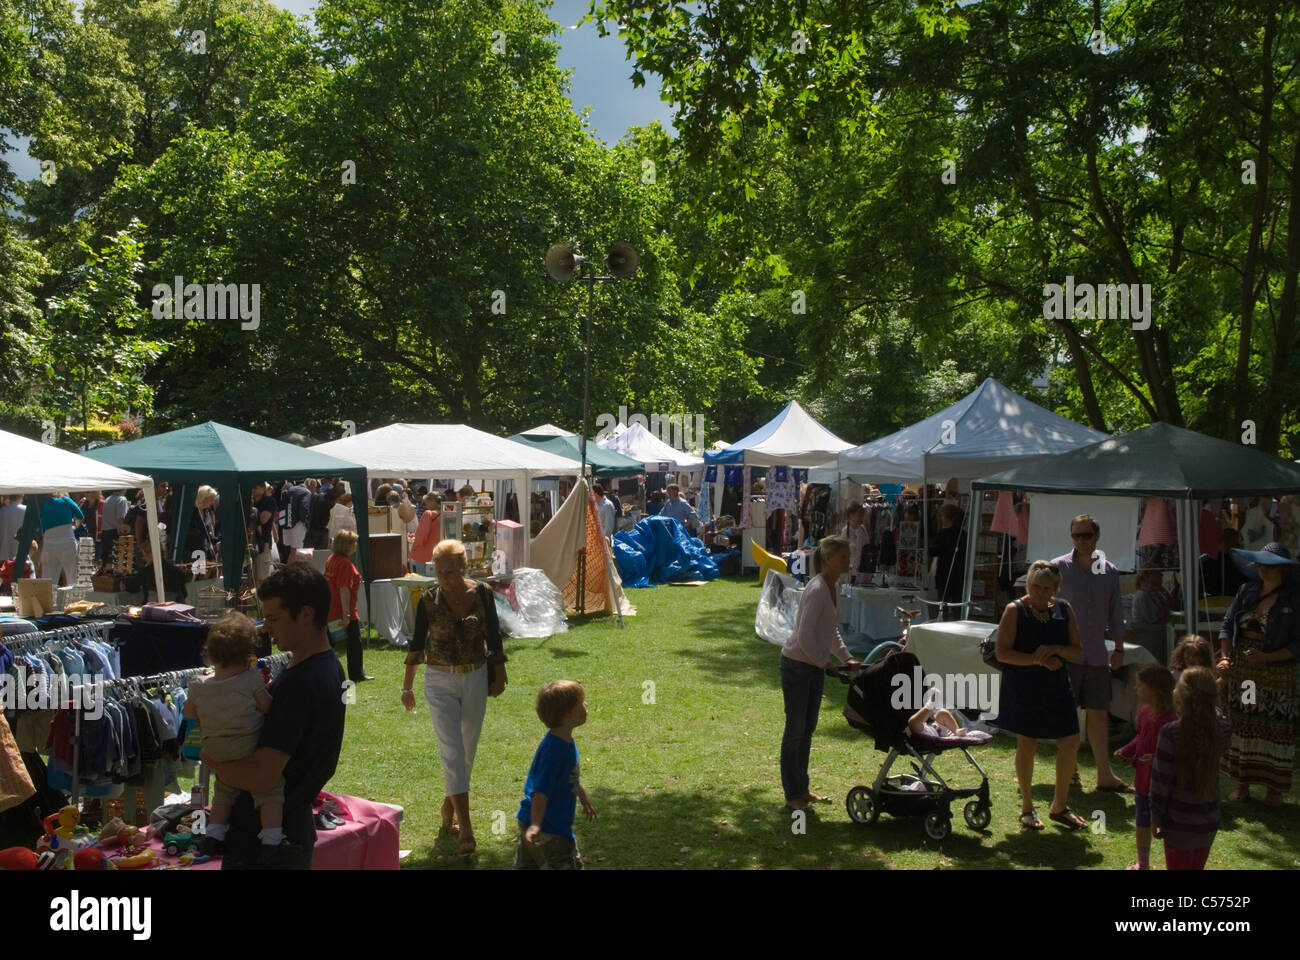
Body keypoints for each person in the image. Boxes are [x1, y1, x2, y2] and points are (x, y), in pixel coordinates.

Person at [200, 564, 346, 869]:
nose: (266, 627)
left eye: (274, 618)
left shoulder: (300, 684)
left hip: (266, 843)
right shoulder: (330, 667)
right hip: (288, 832)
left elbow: (262, 775)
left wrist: (214, 762)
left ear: (306, 614)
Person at [400, 539, 508, 856]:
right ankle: (466, 828)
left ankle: (449, 804)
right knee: (452, 751)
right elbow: (416, 644)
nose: (445, 577)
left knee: (467, 752)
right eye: (440, 571)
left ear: (464, 567)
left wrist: (499, 671)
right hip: (439, 679)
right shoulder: (429, 600)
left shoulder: (483, 594)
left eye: (451, 571)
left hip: (475, 676)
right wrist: (407, 687)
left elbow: (494, 634)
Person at [993, 560, 1087, 830]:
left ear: (1055, 589)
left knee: (1070, 741)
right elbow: (1003, 653)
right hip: (1024, 685)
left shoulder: (1063, 609)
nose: (1041, 593)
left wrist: (1055, 649)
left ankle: (1060, 805)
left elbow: (1076, 650)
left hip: (1057, 685)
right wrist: (1038, 660)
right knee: (1028, 743)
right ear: (1029, 584)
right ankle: (1027, 808)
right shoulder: (1015, 610)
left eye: (1047, 588)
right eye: (1036, 586)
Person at [183, 612, 283, 857]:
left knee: (225, 789)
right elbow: (267, 707)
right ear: (248, 654)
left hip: (215, 745)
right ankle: (272, 838)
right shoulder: (251, 679)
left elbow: (189, 712)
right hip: (246, 743)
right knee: (270, 790)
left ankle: (215, 834)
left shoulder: (198, 684)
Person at [779, 534, 861, 810]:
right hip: (797, 666)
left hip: (811, 667)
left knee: (807, 731)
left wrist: (847, 658)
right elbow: (804, 636)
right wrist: (825, 663)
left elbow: (830, 631)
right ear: (828, 559)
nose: (848, 563)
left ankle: (802, 789)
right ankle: (793, 795)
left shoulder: (832, 586)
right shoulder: (816, 589)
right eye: (843, 558)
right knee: (795, 731)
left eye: (848, 558)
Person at [1053, 514, 1132, 792]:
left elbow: (1115, 613)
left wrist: (1119, 648)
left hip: (1097, 654)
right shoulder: (1057, 568)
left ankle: (1104, 774)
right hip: (1066, 655)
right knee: (1067, 714)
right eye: (1076, 536)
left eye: (1086, 535)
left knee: (1099, 713)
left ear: (1096, 536)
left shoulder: (1109, 571)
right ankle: (1070, 770)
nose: (1081, 541)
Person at [1217, 542, 1300, 806]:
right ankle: (1242, 785)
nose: (1262, 568)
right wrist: (1226, 656)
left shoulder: (1294, 599)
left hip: (1277, 673)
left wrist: (1268, 658)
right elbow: (1228, 624)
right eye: (1260, 563)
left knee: (1275, 728)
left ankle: (1274, 790)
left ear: (1283, 569)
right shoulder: (1246, 591)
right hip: (1245, 671)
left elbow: (1298, 643)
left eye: (1269, 564)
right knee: (1244, 723)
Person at [1150, 667, 1231, 870]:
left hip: (1178, 822)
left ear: (1181, 695)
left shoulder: (1170, 733)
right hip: (1209, 820)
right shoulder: (1223, 728)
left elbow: (1161, 782)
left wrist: (1155, 816)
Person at [514, 679, 595, 870]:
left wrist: (582, 797)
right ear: (568, 714)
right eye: (581, 703)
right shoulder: (554, 750)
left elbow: (570, 776)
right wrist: (536, 824)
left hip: (538, 823)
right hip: (549, 829)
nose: (586, 705)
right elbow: (539, 792)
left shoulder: (564, 740)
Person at [1113, 665, 1177, 870]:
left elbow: (1178, 751)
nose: (1136, 689)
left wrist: (1158, 759)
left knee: (1168, 825)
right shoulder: (1143, 714)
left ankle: (1175, 863)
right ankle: (1144, 863)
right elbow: (1140, 738)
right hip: (1142, 782)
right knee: (1142, 823)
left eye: (1140, 685)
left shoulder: (1172, 720)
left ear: (1155, 689)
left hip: (1165, 785)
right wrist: (1127, 750)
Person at [325, 529, 371, 683]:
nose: (355, 545)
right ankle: (356, 674)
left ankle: (332, 673)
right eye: (353, 543)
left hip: (331, 607)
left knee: (330, 644)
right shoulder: (344, 563)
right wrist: (346, 614)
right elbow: (344, 589)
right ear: (347, 545)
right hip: (344, 609)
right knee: (354, 643)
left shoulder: (332, 559)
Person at [928, 504, 967, 617]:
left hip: (945, 573)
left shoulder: (943, 534)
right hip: (960, 573)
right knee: (957, 604)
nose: (941, 519)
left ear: (948, 518)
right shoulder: (964, 534)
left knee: (942, 604)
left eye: (942, 516)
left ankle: (942, 624)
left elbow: (933, 551)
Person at [38, 491, 83, 587]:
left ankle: (47, 600)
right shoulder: (66, 500)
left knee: (48, 579)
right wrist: (75, 524)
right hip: (67, 542)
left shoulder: (44, 504)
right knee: (72, 577)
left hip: (49, 542)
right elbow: (80, 515)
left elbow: (41, 528)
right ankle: (74, 599)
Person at [250, 480, 280, 585]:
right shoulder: (248, 501)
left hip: (263, 542)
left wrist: (253, 512)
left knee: (263, 575)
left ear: (263, 488)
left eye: (255, 487)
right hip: (249, 542)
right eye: (252, 488)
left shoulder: (269, 501)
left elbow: (264, 519)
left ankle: (262, 599)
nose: (253, 490)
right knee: (251, 576)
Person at [279, 480, 312, 563]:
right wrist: (306, 522)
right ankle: (290, 573)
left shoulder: (290, 490)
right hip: (298, 525)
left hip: (286, 523)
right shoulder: (306, 492)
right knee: (295, 552)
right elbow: (304, 508)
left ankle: (289, 571)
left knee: (292, 551)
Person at [410, 493, 442, 566]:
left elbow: (422, 535)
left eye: (426, 503)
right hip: (438, 552)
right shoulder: (445, 514)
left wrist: (415, 546)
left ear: (432, 501)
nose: (426, 506)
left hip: (424, 554)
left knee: (422, 576)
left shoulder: (428, 514)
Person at [100, 489, 128, 565]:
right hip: (115, 533)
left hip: (105, 533)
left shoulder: (108, 499)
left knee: (107, 563)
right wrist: (122, 536)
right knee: (118, 563)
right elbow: (120, 519)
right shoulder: (122, 499)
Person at [843, 501, 867, 574]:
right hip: (851, 570)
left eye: (862, 515)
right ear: (851, 515)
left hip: (864, 568)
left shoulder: (862, 529)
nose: (861, 518)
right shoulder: (845, 531)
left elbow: (866, 546)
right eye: (859, 515)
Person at [0, 494, 25, 563]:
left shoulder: (2, 510)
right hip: (19, 550)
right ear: (21, 496)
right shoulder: (26, 510)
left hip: (3, 550)